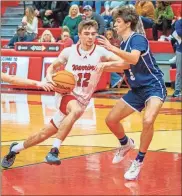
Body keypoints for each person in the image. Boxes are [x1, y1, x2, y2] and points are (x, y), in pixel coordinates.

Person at [1, 20, 128, 168]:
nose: (90, 37)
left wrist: (106, 65)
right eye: (86, 34)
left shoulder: (101, 52)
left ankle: (15, 149)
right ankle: (54, 151)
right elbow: (52, 68)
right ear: (79, 35)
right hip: (65, 94)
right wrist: (49, 77)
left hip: (83, 100)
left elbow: (124, 63)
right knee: (75, 110)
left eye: (93, 34)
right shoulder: (69, 51)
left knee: (43, 134)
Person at [98, 6, 167, 180]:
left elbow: (134, 58)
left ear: (128, 23)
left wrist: (110, 49)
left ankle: (138, 161)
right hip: (137, 90)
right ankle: (125, 143)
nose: (115, 24)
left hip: (154, 86)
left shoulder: (138, 39)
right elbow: (126, 65)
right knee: (111, 120)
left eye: (118, 21)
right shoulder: (123, 43)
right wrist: (104, 66)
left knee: (148, 120)